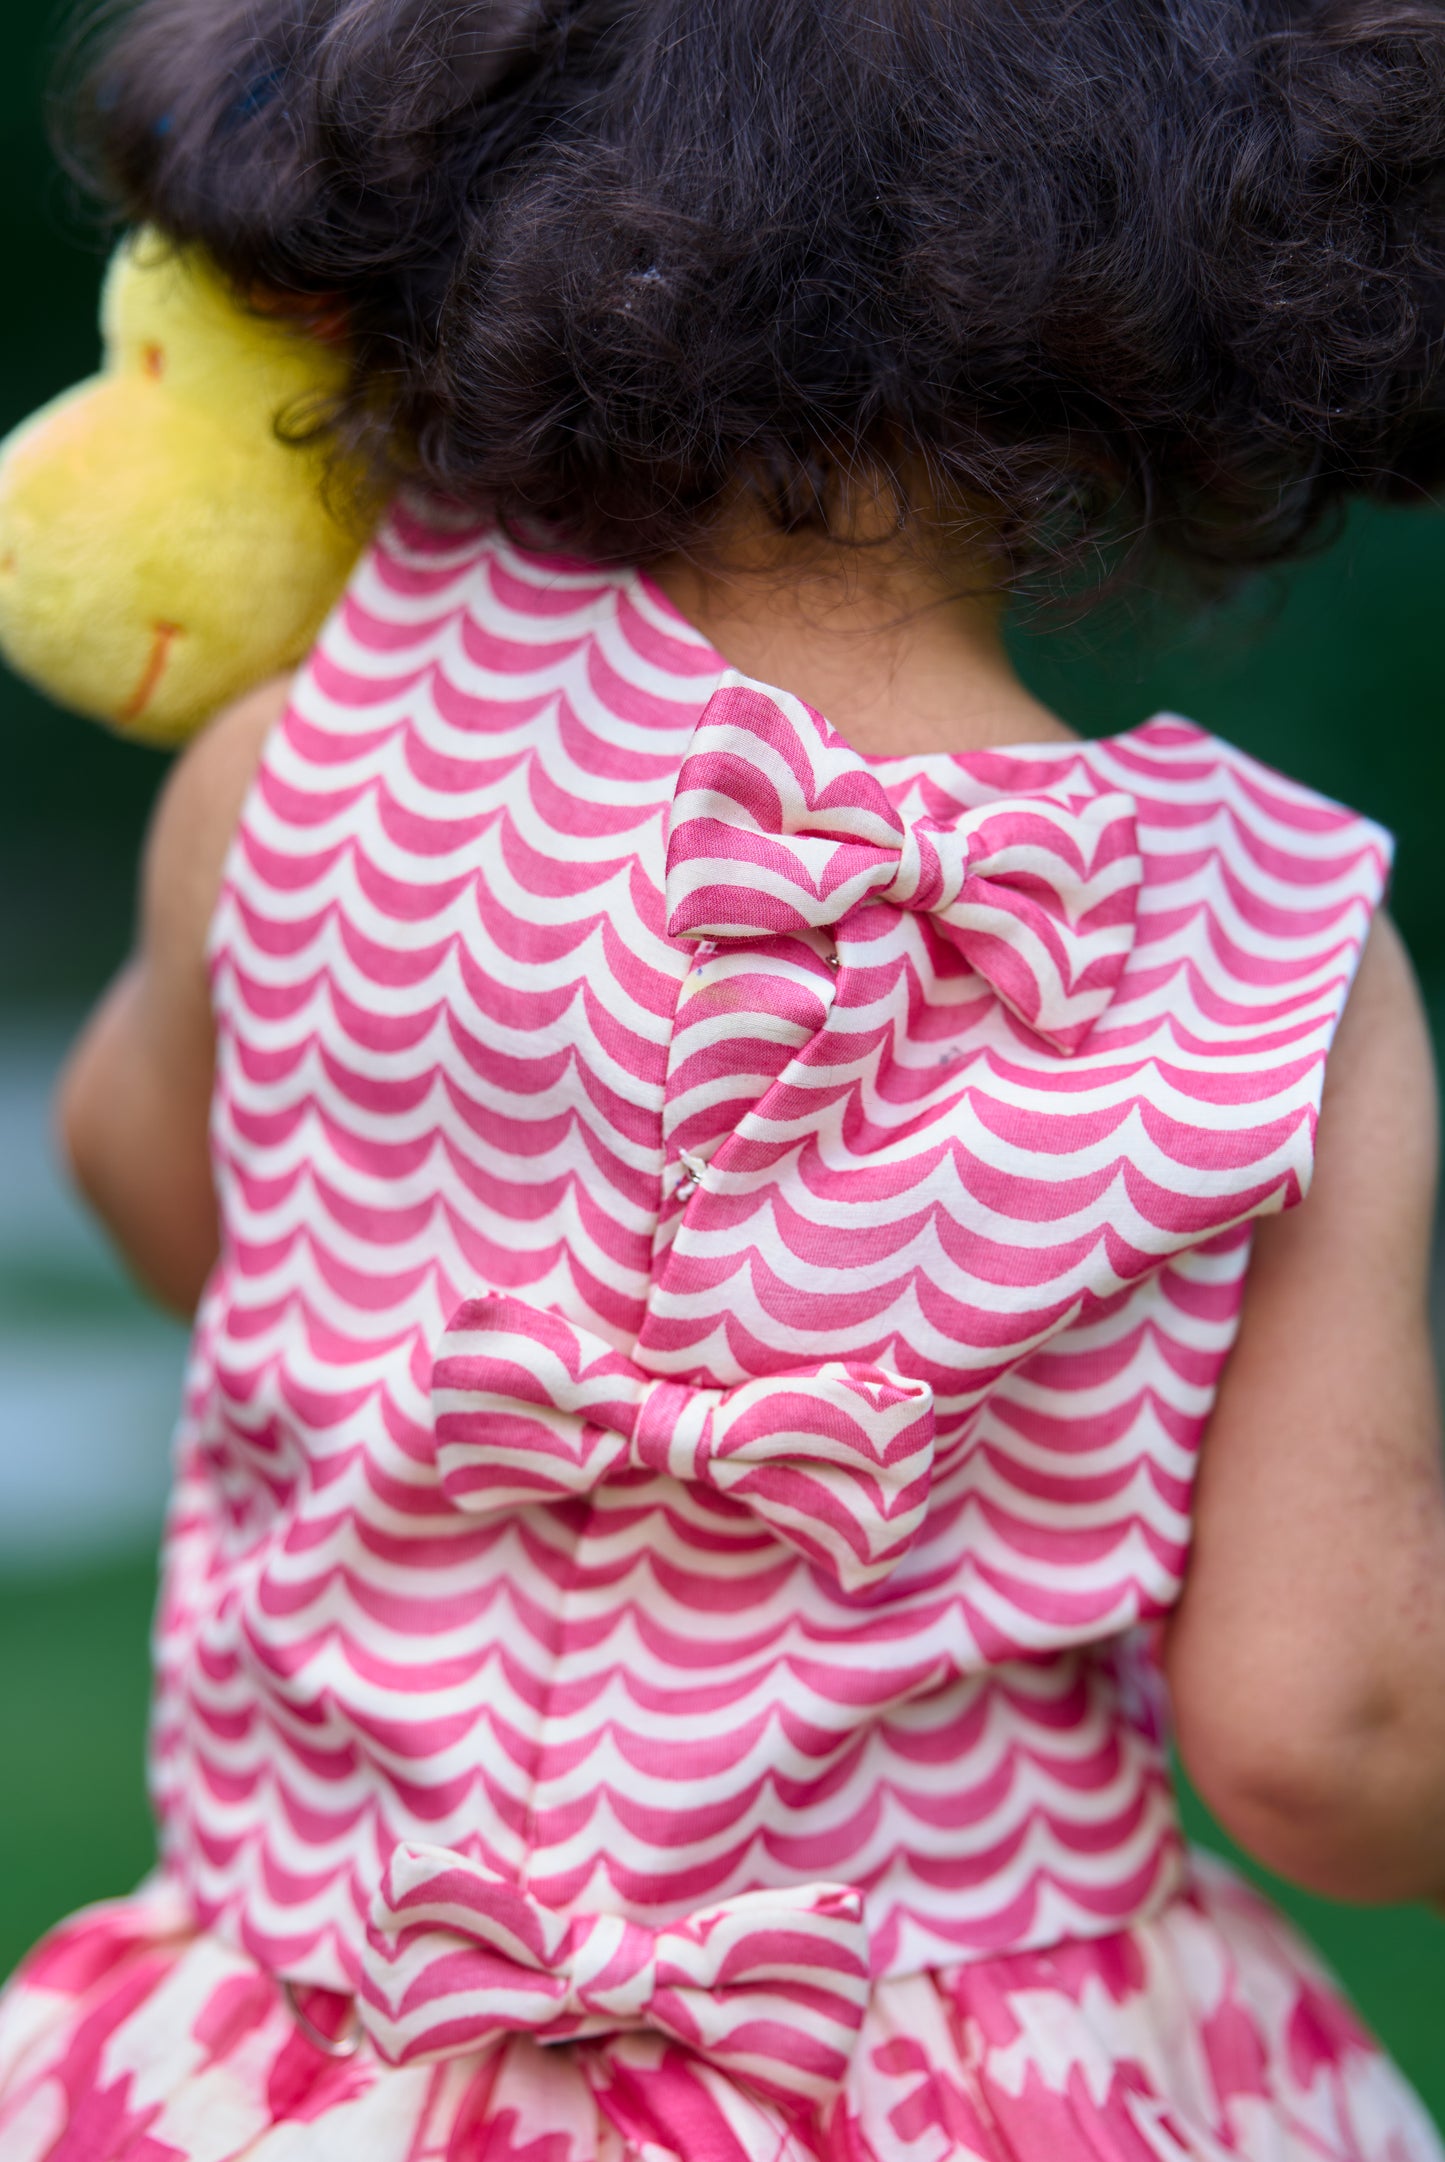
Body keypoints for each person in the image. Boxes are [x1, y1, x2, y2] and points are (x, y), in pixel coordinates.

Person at [3, 1, 1445, 2156]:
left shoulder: (304, 762)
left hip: (298, 2064)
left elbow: (151, 1184)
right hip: (968, 2084)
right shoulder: (1270, 958)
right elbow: (1325, 1730)